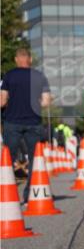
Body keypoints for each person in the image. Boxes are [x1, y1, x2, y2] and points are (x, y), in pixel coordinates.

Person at [1, 48, 52, 201]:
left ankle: (6, 194)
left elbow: (2, 101)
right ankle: (30, 193)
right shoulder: (40, 76)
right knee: (34, 159)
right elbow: (46, 102)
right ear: (30, 60)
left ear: (17, 59)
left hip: (12, 122)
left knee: (7, 159)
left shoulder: (8, 76)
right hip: (33, 122)